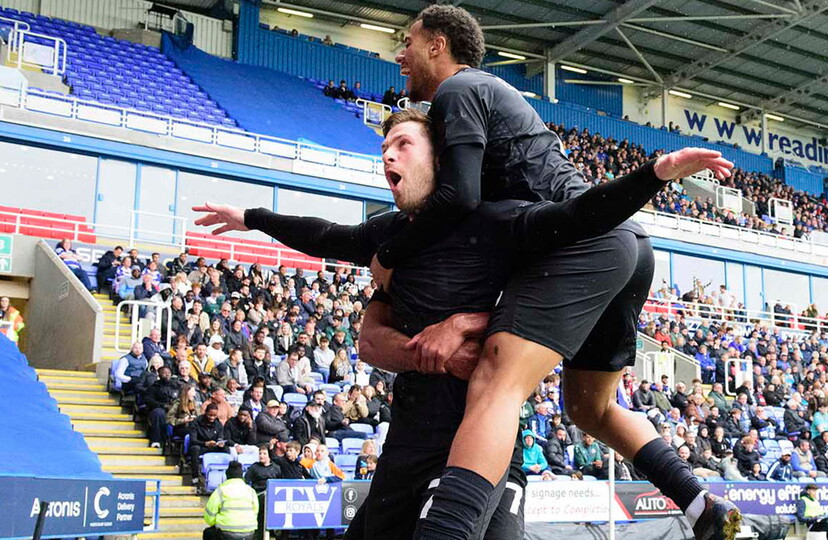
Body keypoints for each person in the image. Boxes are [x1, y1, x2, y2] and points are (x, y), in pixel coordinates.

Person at [193, 113, 729, 539]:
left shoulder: (494, 221)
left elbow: (576, 217)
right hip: (411, 440)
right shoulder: (388, 235)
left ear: (441, 159)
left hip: (483, 449)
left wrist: (655, 174)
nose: (387, 155)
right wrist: (252, 218)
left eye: (403, 144)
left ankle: (696, 500)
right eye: (384, 148)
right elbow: (325, 235)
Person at [369, 6, 739, 539]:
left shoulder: (459, 89)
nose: (400, 54)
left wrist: (390, 254)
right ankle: (700, 504)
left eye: (408, 41)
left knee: (497, 382)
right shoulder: (491, 101)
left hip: (580, 241)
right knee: (590, 407)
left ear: (438, 45)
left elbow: (460, 197)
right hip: (623, 241)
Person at [203, 461, 258, 540]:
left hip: (226, 533)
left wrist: (218, 523)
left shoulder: (220, 491)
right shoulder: (251, 491)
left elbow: (209, 515)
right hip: (249, 532)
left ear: (227, 476)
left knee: (208, 533)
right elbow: (255, 511)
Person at [244, 445, 281, 539]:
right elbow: (246, 481)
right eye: (260, 453)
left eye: (264, 453)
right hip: (258, 496)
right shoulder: (254, 467)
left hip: (272, 497)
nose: (261, 456)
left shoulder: (276, 468)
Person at [189, 403, 228, 486]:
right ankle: (195, 476)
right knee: (194, 449)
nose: (212, 418)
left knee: (226, 449)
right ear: (205, 412)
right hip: (201, 446)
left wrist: (220, 443)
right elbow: (193, 440)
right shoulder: (196, 423)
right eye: (210, 415)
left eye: (214, 415)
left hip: (213, 446)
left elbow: (220, 437)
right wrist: (205, 443)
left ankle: (224, 474)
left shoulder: (218, 424)